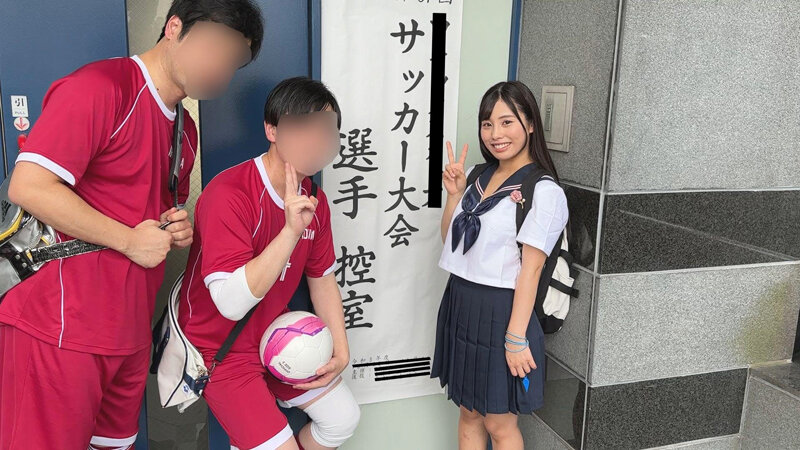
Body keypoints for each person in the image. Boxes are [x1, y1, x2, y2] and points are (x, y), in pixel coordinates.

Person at [0, 1, 264, 448]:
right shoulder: (102, 87)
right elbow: (29, 186)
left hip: (129, 329)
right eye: (217, 48)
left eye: (234, 62)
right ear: (174, 27)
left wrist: (173, 229)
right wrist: (128, 240)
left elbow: (141, 216)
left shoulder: (185, 130)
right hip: (60, 325)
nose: (221, 70)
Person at [178, 77, 360, 450]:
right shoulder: (229, 193)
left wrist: (341, 349)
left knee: (343, 419)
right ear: (272, 130)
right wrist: (290, 231)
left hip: (278, 337)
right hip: (219, 350)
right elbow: (230, 303)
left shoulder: (315, 199)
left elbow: (322, 278)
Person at [432, 81, 569, 450]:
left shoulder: (544, 191)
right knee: (469, 411)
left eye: (507, 122)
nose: (495, 134)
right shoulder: (477, 175)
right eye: (487, 124)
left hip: (504, 309)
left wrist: (515, 337)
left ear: (530, 124)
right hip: (461, 301)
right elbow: (452, 244)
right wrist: (455, 196)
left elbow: (531, 271)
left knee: (499, 422)